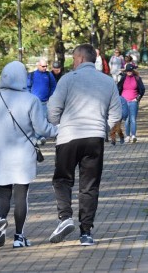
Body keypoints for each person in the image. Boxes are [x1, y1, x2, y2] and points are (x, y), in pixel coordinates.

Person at [47, 44, 121, 246]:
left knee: (62, 179)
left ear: (79, 59)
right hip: (95, 138)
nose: (72, 62)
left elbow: (53, 108)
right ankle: (86, 233)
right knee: (89, 186)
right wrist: (102, 128)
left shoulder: (68, 79)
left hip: (69, 136)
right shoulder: (107, 81)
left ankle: (65, 218)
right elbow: (117, 113)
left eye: (73, 58)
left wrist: (58, 125)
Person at [0, 61, 58, 248]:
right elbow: (41, 127)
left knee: (2, 194)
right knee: (21, 196)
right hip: (23, 155)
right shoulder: (31, 100)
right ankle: (19, 237)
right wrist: (59, 130)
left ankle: (1, 220)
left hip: (1, 155)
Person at [117, 64, 145, 143]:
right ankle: (127, 136)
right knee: (127, 119)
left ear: (132, 71)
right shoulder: (123, 78)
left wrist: (137, 98)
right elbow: (118, 88)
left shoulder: (137, 78)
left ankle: (133, 136)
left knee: (133, 119)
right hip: (124, 101)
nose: (129, 72)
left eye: (130, 71)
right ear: (126, 71)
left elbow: (142, 89)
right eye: (127, 71)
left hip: (133, 101)